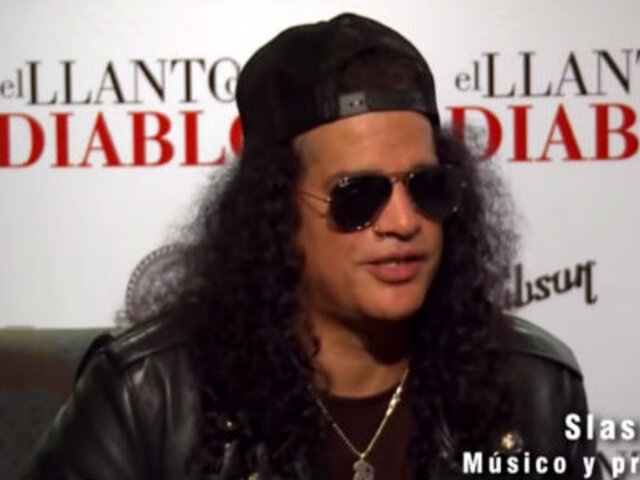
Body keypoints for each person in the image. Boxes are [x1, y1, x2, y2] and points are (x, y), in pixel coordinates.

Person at [25, 13, 599, 480]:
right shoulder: (147, 397)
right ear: (276, 212)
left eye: (426, 187)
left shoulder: (536, 388)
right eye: (358, 196)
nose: (404, 222)